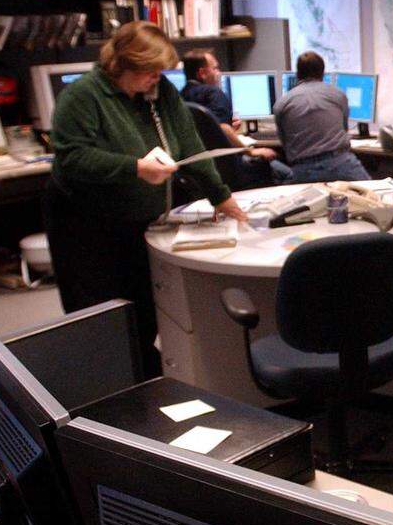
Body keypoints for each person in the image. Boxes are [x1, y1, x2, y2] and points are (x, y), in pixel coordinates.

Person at [46, 21, 245, 378]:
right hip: (88, 225)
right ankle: (108, 393)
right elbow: (71, 157)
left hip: (141, 218)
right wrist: (134, 168)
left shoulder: (159, 91)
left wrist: (222, 198)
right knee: (101, 316)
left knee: (143, 308)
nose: (157, 78)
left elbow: (188, 143)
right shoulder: (83, 96)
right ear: (124, 65)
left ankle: (141, 381)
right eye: (150, 71)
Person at [180, 48, 291, 183]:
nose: (219, 73)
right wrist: (250, 152)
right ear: (202, 73)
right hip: (232, 167)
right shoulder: (213, 93)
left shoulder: (180, 97)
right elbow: (222, 128)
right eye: (215, 69)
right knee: (288, 174)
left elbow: (206, 132)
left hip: (202, 171)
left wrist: (230, 129)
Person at [273, 51, 370, 182]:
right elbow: (344, 129)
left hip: (303, 171)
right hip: (340, 163)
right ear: (322, 73)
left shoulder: (281, 104)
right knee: (374, 197)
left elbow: (285, 143)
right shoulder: (338, 95)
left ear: (298, 74)